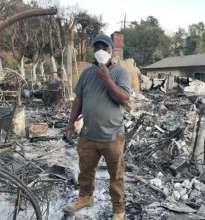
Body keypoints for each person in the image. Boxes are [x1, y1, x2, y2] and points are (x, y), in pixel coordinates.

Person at [65, 34, 131, 220]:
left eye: (105, 47)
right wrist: (70, 123)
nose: (100, 51)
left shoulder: (120, 72)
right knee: (85, 171)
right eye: (97, 48)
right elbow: (79, 99)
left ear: (111, 50)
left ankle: (118, 209)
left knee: (116, 176)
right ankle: (85, 197)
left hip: (112, 136)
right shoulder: (86, 73)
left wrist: (107, 78)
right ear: (93, 51)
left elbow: (124, 99)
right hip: (88, 135)